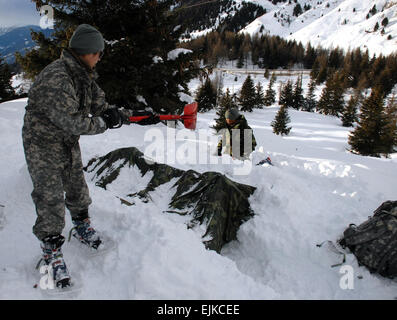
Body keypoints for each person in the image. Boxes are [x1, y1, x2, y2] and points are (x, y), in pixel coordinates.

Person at [22, 24, 159, 288]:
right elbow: (74, 122)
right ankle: (51, 250)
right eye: (98, 53)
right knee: (49, 195)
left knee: (76, 186)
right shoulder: (58, 79)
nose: (100, 57)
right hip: (42, 143)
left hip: (65, 140)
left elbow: (101, 106)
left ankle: (82, 225)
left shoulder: (83, 75)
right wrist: (105, 123)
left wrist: (132, 117)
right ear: (86, 52)